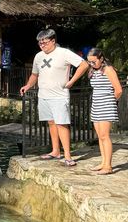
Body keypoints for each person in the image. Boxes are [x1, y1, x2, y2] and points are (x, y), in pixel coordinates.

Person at [20, 29, 87, 166]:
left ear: (53, 41)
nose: (42, 45)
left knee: (61, 123)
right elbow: (34, 74)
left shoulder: (63, 53)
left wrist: (72, 81)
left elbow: (84, 64)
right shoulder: (38, 56)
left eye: (44, 43)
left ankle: (68, 155)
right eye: (40, 43)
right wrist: (28, 86)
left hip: (59, 95)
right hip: (44, 94)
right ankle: (55, 151)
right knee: (51, 122)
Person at [65, 48, 123, 175]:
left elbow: (118, 90)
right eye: (89, 62)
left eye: (93, 62)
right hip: (96, 105)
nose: (91, 64)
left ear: (101, 59)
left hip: (106, 106)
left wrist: (111, 101)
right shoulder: (93, 71)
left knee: (105, 136)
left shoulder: (108, 69)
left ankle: (108, 166)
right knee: (100, 137)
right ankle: (103, 162)